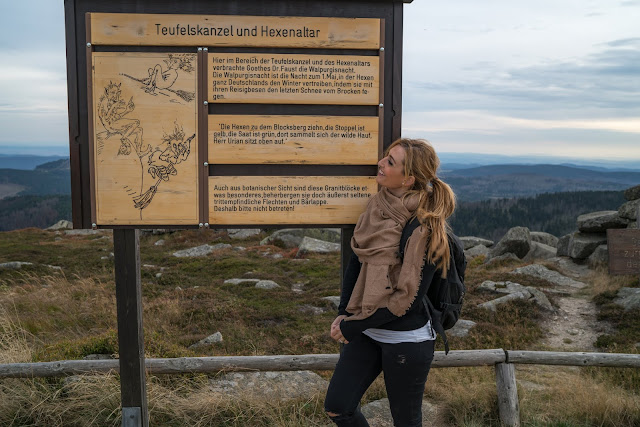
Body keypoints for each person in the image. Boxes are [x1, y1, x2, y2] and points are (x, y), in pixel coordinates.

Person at [324, 138, 458, 427]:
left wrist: (351, 327)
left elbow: (406, 300)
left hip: (406, 340)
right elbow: (357, 261)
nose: (381, 164)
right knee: (337, 407)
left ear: (408, 179)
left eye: (390, 162)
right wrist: (344, 311)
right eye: (385, 157)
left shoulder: (425, 228)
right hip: (368, 330)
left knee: (406, 422)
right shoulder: (376, 206)